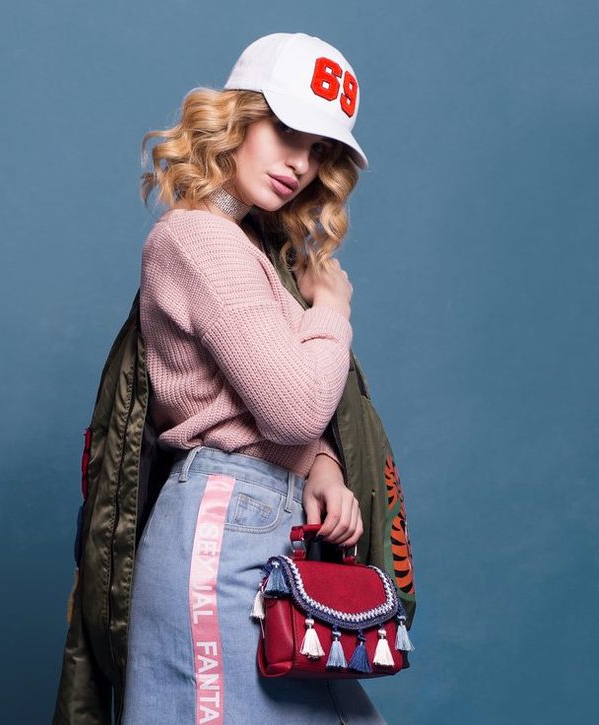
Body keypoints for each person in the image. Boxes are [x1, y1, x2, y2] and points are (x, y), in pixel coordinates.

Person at [122, 33, 387, 723]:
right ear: (237, 117)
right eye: (287, 132)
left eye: (317, 149)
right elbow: (293, 406)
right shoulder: (196, 237)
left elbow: (252, 404)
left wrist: (321, 465)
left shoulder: (246, 249)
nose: (301, 164)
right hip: (224, 530)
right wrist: (331, 310)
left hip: (263, 528)